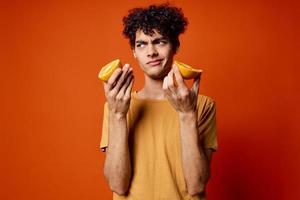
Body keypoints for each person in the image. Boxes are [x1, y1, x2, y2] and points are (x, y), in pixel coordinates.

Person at [100, 3, 218, 200]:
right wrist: (117, 114)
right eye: (141, 44)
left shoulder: (202, 105)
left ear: (175, 46)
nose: (151, 52)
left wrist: (187, 113)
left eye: (160, 41)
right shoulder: (115, 106)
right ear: (134, 52)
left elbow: (196, 185)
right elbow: (117, 185)